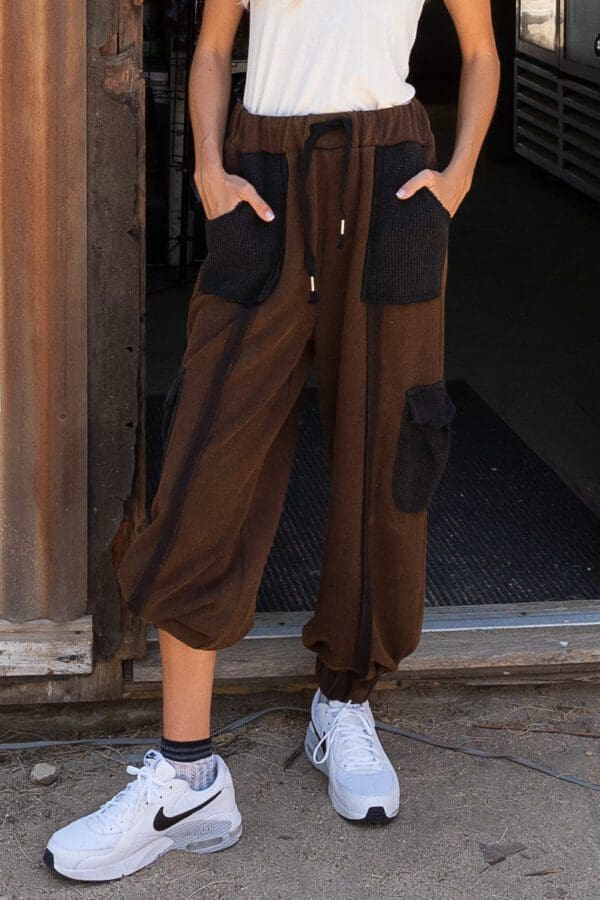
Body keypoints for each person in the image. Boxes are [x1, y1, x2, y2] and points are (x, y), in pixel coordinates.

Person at [44, 0, 500, 882]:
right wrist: (211, 170)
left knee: (388, 451)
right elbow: (214, 47)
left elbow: (480, 53)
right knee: (211, 449)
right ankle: (187, 778)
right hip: (265, 174)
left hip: (392, 177)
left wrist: (459, 179)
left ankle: (345, 700)